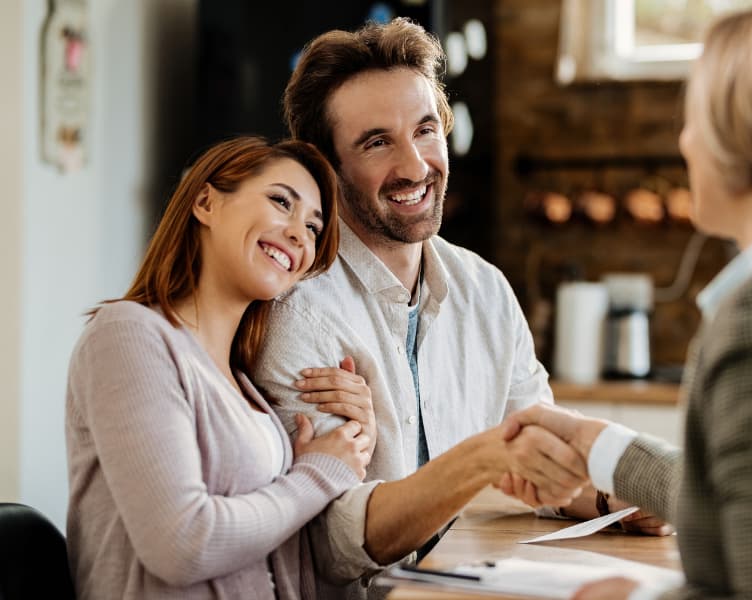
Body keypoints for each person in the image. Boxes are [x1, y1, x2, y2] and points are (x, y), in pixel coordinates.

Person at [503, 1, 752, 598]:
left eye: (695, 114)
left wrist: (634, 597)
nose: (683, 138)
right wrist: (598, 444)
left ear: (746, 130)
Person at [251, 18, 612, 598]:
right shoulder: (296, 310)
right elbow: (332, 540)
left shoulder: (485, 289)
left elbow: (533, 462)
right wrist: (483, 459)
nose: (416, 167)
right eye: (377, 142)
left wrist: (609, 499)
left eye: (424, 130)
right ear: (324, 166)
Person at [65, 136, 375, 599]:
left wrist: (354, 438)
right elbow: (182, 543)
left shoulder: (244, 385)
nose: (298, 234)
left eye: (313, 228)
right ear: (206, 202)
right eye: (280, 202)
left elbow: (278, 543)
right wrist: (318, 474)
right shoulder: (128, 335)